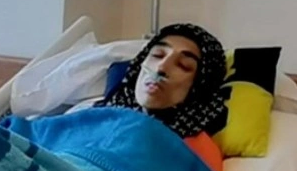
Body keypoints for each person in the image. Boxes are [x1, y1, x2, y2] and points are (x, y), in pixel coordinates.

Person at [96, 23, 228, 140]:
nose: (161, 68)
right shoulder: (95, 117)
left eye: (183, 65)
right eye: (157, 55)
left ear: (199, 88)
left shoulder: (192, 150)